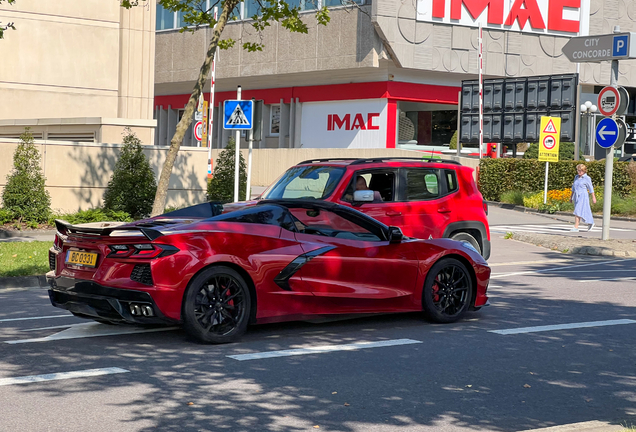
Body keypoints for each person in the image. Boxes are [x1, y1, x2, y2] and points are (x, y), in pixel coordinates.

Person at [569, 163, 596, 232]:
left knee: (577, 211)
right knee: (584, 210)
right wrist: (571, 196)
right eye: (578, 170)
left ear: (584, 171)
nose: (579, 172)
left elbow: (590, 188)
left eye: (581, 170)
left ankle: (576, 227)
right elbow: (573, 188)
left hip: (583, 196)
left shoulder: (587, 178)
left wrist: (593, 197)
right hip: (576, 196)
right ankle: (590, 222)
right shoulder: (576, 177)